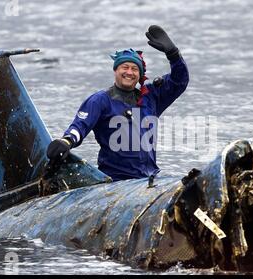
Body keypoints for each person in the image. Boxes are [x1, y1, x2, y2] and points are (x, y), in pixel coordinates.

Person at [46, 25, 189, 181]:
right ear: (115, 70)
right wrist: (67, 141)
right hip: (116, 182)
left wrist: (173, 54)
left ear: (140, 74)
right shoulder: (100, 100)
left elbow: (179, 81)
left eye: (135, 69)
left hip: (149, 179)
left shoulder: (151, 97)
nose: (129, 72)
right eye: (124, 67)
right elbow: (80, 126)